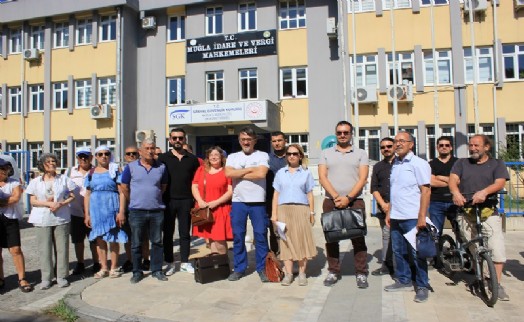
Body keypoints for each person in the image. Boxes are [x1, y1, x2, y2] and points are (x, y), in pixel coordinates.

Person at [448, 134, 510, 301]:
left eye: (476, 145)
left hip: (488, 212)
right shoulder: (462, 163)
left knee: (496, 249)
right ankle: (479, 277)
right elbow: (453, 180)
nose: (473, 148)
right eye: (471, 145)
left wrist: (484, 192)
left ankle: (495, 284)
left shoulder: (497, 163)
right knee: (474, 248)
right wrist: (455, 192)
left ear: (486, 147)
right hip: (466, 212)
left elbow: (500, 182)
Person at [318, 121, 370, 288]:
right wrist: (335, 197)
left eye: (346, 132)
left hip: (355, 201)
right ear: (336, 134)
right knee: (331, 238)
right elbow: (322, 177)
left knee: (358, 238)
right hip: (330, 202)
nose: (342, 135)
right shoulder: (325, 153)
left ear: (351, 134)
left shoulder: (361, 153)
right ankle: (333, 271)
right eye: (339, 132)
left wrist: (348, 198)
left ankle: (361, 273)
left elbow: (362, 178)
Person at [384, 131, 431, 303]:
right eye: (396, 141)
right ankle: (403, 280)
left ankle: (422, 286)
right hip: (397, 216)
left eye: (402, 141)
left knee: (417, 253)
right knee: (398, 251)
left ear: (411, 144)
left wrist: (422, 216)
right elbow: (395, 190)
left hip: (413, 217)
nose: (398, 144)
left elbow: (426, 190)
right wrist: (389, 211)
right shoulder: (395, 163)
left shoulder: (419, 164)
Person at [225, 126, 270, 282]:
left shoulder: (262, 155)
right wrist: (250, 170)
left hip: (258, 201)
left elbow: (261, 173)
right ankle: (239, 268)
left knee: (261, 235)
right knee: (238, 236)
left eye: (249, 140)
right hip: (238, 202)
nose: (246, 142)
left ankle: (262, 268)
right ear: (239, 140)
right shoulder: (232, 156)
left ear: (254, 141)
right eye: (243, 139)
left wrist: (239, 174)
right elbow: (228, 174)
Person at [121, 139, 169, 283]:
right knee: (136, 243)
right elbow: (124, 187)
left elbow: (163, 186)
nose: (150, 151)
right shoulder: (131, 167)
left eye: (152, 148)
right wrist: (134, 200)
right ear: (140, 151)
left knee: (157, 242)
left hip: (156, 211)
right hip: (137, 211)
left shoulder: (161, 167)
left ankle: (157, 270)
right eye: (147, 148)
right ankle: (137, 272)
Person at [26, 153, 76, 290]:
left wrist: (61, 203)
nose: (52, 163)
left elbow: (72, 196)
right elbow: (33, 200)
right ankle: (46, 278)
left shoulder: (63, 179)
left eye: (54, 161)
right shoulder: (36, 182)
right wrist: (47, 204)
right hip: (42, 218)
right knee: (44, 249)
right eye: (48, 162)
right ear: (42, 165)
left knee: (62, 248)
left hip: (61, 217)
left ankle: (61, 276)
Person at [271, 144, 316, 286]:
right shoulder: (280, 173)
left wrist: (312, 213)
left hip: (301, 210)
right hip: (283, 210)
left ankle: (302, 273)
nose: (291, 156)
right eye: (289, 153)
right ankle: (289, 274)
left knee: (301, 241)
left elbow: (310, 194)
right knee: (285, 242)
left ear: (300, 156)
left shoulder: (306, 173)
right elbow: (276, 195)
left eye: (295, 154)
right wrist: (274, 214)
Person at [158, 128, 200, 275]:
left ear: (184, 140)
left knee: (185, 234)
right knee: (168, 233)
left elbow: (198, 181)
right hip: (168, 200)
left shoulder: (192, 159)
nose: (177, 141)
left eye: (180, 138)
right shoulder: (163, 158)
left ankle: (184, 261)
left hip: (186, 200)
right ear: (170, 140)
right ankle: (169, 262)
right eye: (174, 138)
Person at [84, 146, 127, 279]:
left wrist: (121, 211)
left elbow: (121, 192)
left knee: (113, 239)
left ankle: (114, 267)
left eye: (106, 154)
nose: (104, 156)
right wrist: (87, 214)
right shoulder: (91, 173)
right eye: (100, 154)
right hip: (96, 209)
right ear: (96, 156)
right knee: (100, 239)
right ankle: (104, 267)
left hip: (111, 207)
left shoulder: (115, 171)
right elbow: (87, 194)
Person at [191, 146, 233, 254]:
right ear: (208, 157)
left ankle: (223, 265)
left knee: (219, 241)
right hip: (204, 208)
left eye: (216, 155)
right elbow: (194, 186)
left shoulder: (226, 171)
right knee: (210, 241)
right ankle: (216, 265)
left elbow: (230, 190)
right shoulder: (201, 170)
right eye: (211, 155)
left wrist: (216, 202)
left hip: (220, 209)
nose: (213, 157)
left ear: (221, 157)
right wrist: (199, 201)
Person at [0, 159, 32, 292]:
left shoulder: (14, 182)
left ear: (8, 169)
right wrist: (7, 201)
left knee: (16, 250)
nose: (2, 171)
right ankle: (1, 278)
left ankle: (22, 278)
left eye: (3, 168)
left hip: (10, 219)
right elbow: (11, 199)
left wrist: (1, 201)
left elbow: (16, 198)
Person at [67, 147, 100, 275]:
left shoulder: (96, 171)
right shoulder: (70, 172)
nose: (83, 159)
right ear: (77, 158)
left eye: (86, 156)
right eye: (80, 157)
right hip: (75, 212)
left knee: (94, 240)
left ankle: (97, 262)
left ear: (91, 157)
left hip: (93, 212)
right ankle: (80, 263)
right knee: (78, 240)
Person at [429, 136, 458, 267]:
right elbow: (431, 181)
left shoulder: (458, 163)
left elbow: (460, 181)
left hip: (455, 201)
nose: (444, 147)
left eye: (447, 145)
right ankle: (436, 259)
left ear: (451, 147)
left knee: (460, 231)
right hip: (436, 202)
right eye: (441, 145)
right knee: (435, 233)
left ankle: (463, 255)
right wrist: (450, 181)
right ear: (437, 147)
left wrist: (440, 177)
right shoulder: (432, 164)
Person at [120, 145, 150, 272]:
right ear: (125, 157)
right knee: (128, 237)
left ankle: (146, 259)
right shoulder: (120, 170)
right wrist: (121, 210)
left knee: (143, 236)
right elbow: (122, 190)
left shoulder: (143, 168)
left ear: (138, 154)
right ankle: (130, 260)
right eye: (128, 154)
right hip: (127, 208)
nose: (131, 156)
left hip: (141, 207)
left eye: (133, 153)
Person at [370, 137, 395, 276]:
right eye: (383, 147)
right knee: (386, 236)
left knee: (402, 237)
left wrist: (392, 205)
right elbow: (374, 188)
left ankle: (404, 265)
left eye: (389, 146)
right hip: (383, 207)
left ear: (394, 147)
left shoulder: (402, 163)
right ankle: (386, 264)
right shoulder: (378, 166)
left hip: (400, 207)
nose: (386, 149)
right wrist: (383, 205)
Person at [266, 131, 287, 255]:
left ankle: (290, 255)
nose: (277, 143)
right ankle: (276, 255)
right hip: (271, 199)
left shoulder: (292, 156)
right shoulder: (267, 159)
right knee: (273, 230)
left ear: (285, 141)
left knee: (288, 229)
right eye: (274, 141)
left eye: (279, 140)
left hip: (288, 199)